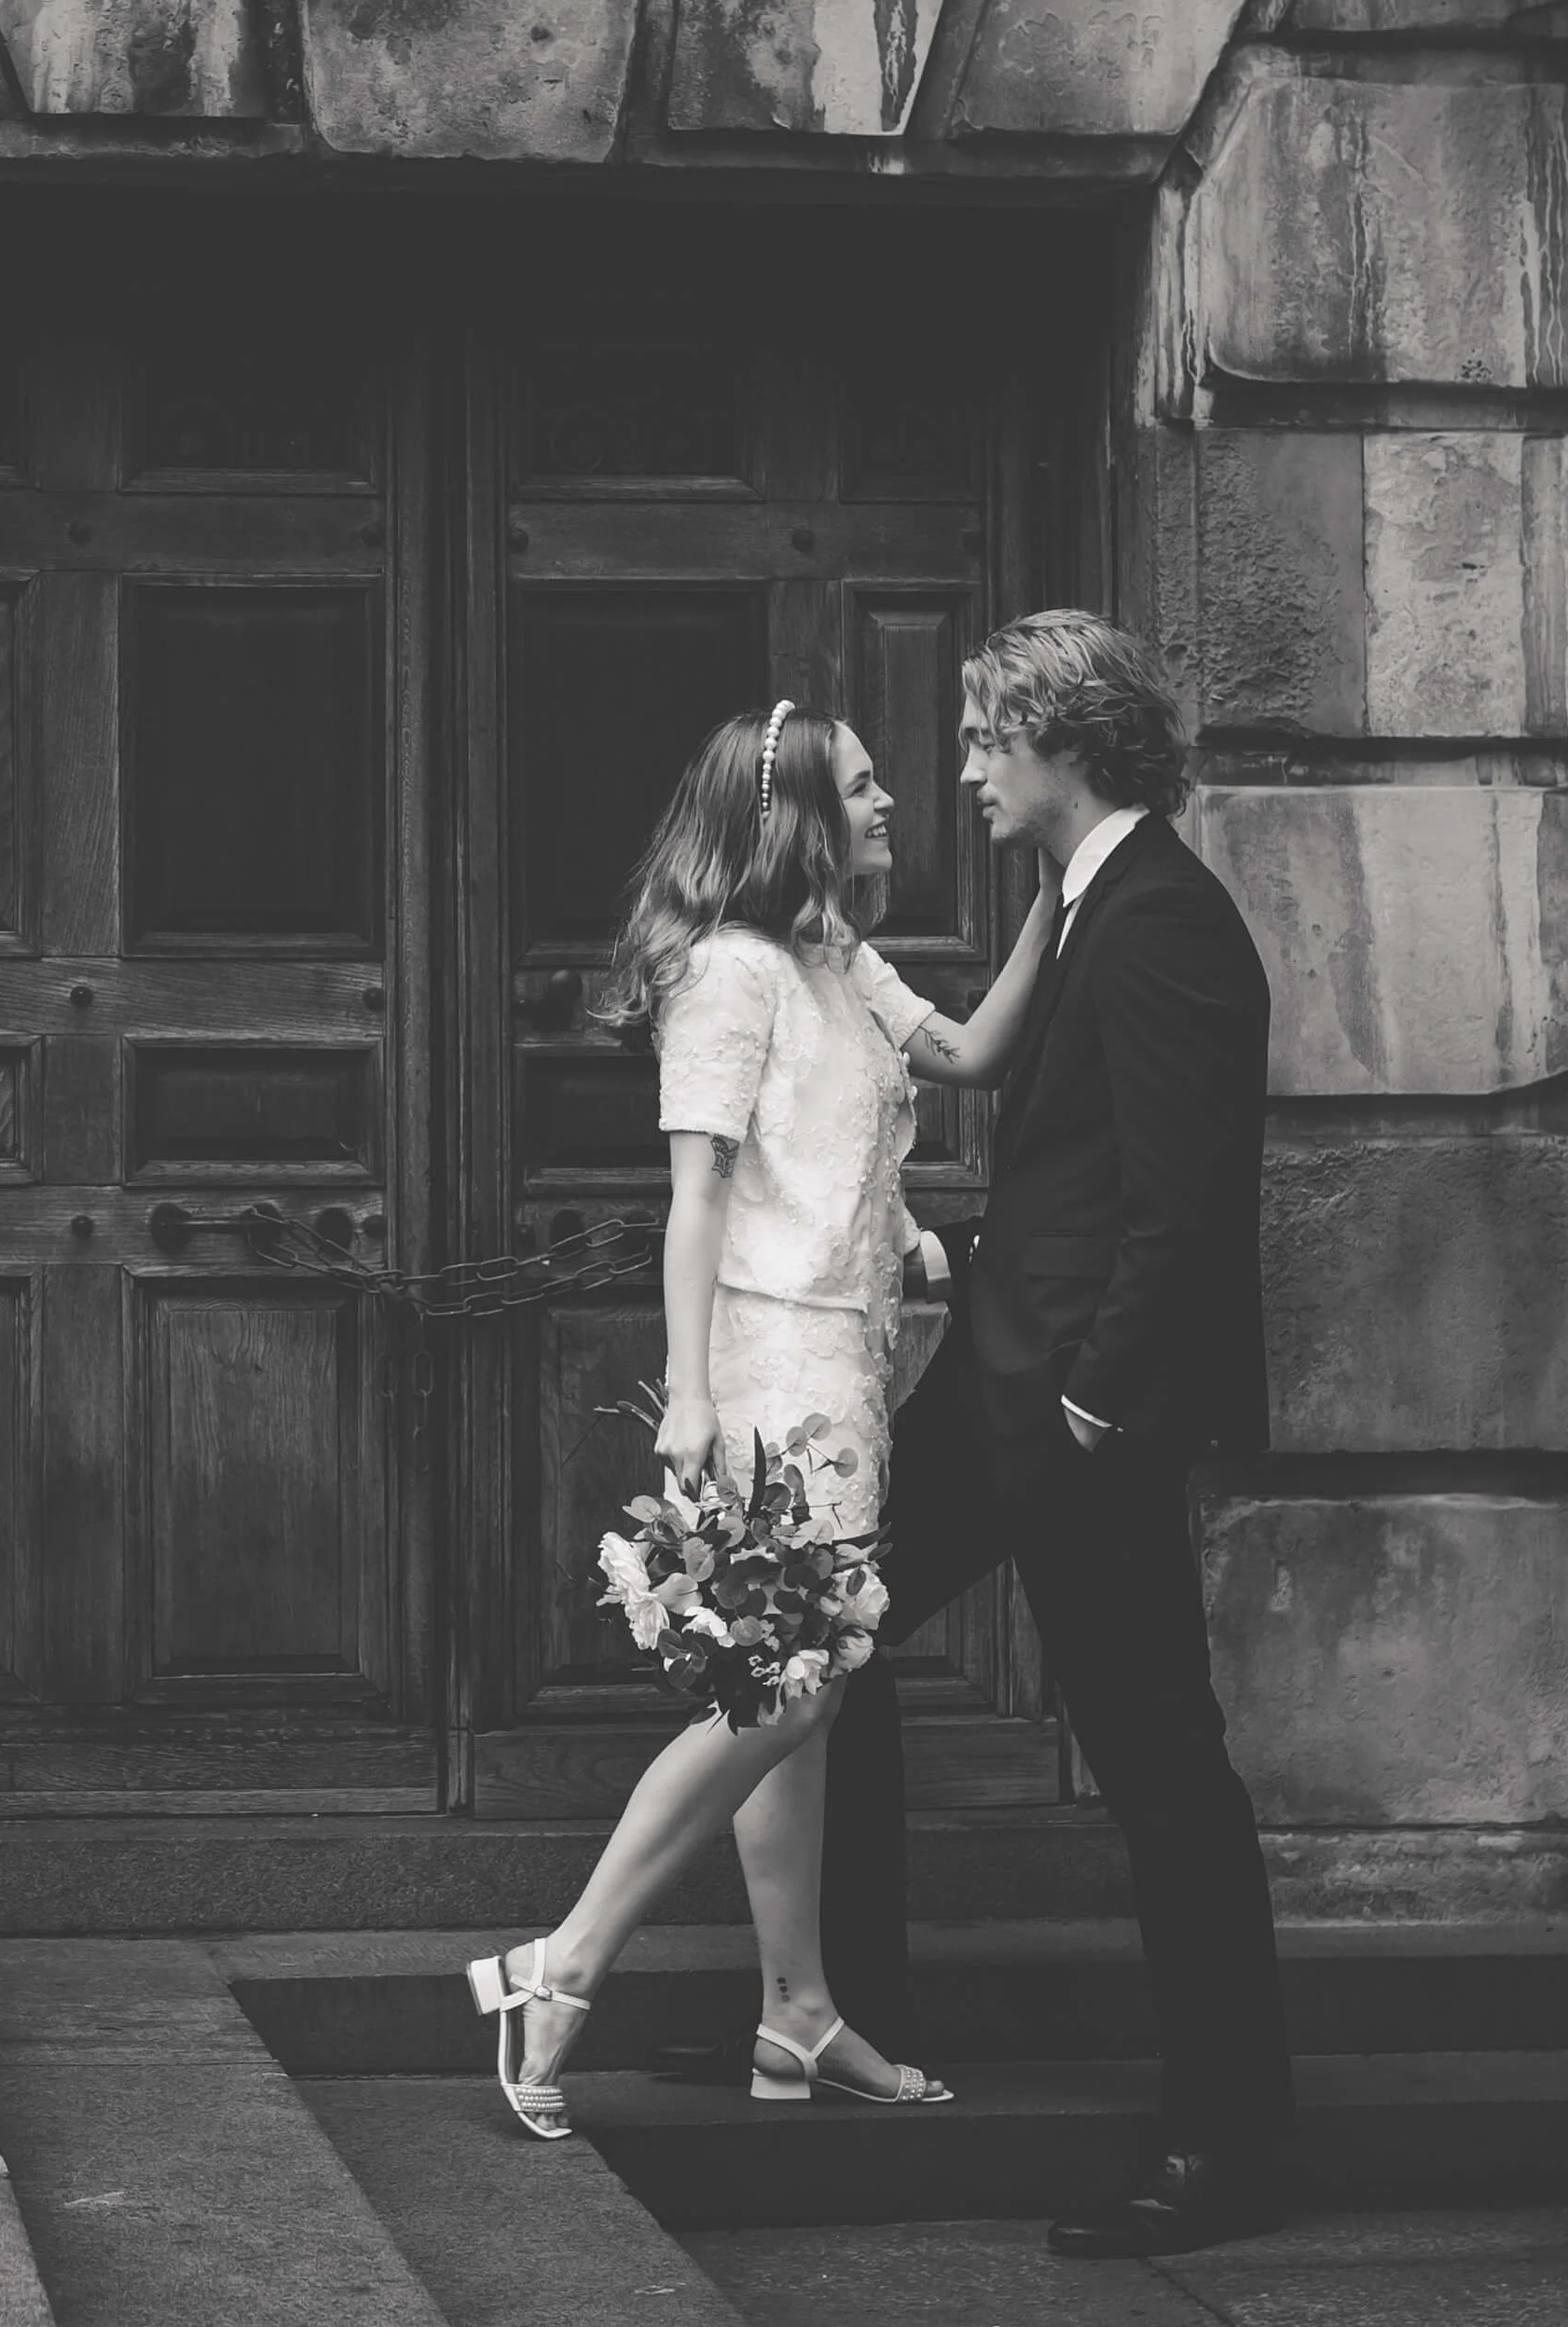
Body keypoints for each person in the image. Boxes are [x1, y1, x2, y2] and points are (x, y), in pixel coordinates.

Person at [465, 697, 1061, 2140]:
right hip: (766, 1378)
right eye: (858, 789)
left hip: (847, 1367)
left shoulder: (836, 960)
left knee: (810, 1703)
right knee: (778, 1693)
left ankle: (795, 2013)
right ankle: (563, 1962)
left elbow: (972, 1052)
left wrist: (1058, 883)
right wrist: (691, 1401)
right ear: (792, 813)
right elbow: (699, 1198)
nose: (887, 806)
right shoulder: (730, 973)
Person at [821, 610, 1295, 2257]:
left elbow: (1180, 1206)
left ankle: (1226, 2145)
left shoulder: (1164, 918)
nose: (960, 770)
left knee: (1161, 1769)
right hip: (997, 1386)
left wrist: (1096, 1398)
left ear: (1059, 738)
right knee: (831, 1634)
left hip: (1077, 1417)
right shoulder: (1082, 903)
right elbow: (1078, 1173)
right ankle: (846, 2017)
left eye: (978, 740)